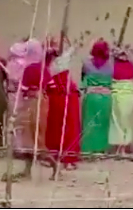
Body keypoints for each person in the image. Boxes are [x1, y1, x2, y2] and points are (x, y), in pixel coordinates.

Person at [43, 37, 81, 176]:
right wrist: (67, 42)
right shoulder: (58, 61)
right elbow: (73, 49)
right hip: (63, 96)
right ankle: (66, 159)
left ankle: (56, 157)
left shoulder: (48, 62)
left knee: (56, 127)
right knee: (66, 128)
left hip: (58, 96)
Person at [17, 39, 50, 177]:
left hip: (30, 102)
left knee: (29, 137)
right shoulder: (44, 68)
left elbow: (23, 88)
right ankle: (52, 165)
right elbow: (50, 85)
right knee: (39, 135)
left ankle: (28, 169)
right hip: (42, 101)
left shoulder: (28, 69)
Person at [80, 39, 113, 154]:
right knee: (102, 125)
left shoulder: (86, 64)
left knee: (89, 124)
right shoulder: (111, 66)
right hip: (105, 99)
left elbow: (82, 79)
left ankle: (88, 149)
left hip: (91, 98)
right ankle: (100, 150)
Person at [109, 45, 133, 155]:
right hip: (128, 97)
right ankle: (124, 146)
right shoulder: (130, 66)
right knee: (126, 122)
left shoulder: (113, 67)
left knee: (116, 122)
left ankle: (118, 147)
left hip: (116, 96)